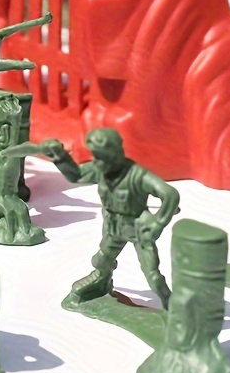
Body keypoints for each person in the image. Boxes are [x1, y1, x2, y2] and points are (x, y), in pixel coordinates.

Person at [40, 128, 179, 308]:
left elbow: (170, 195)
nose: (97, 161)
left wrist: (157, 223)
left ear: (114, 155)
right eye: (96, 156)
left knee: (152, 275)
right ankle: (101, 282)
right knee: (100, 261)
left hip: (138, 229)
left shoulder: (138, 176)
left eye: (101, 157)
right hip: (114, 228)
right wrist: (60, 157)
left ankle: (172, 306)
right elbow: (77, 175)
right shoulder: (101, 170)